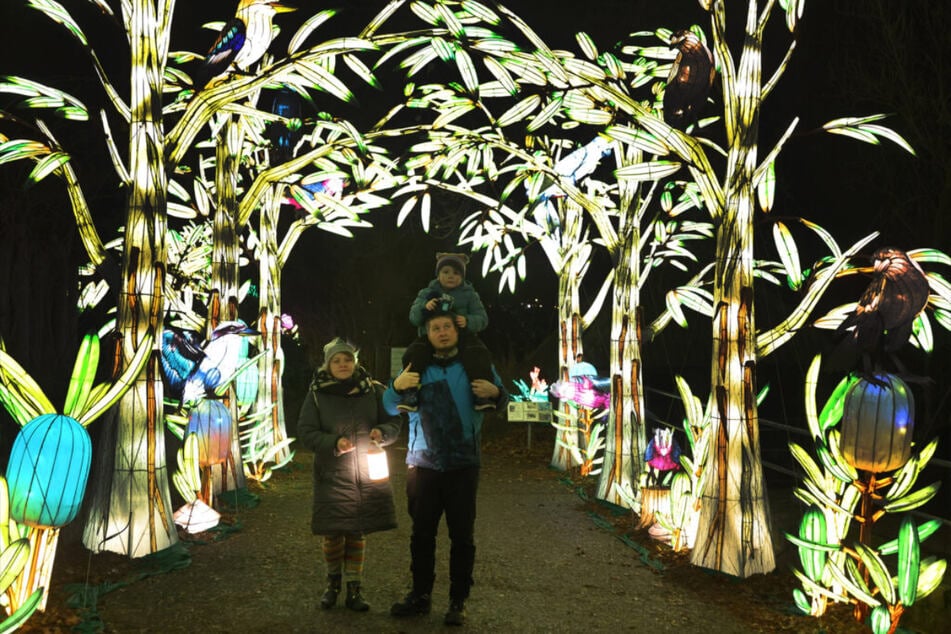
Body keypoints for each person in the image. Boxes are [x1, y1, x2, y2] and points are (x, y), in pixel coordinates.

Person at [384, 308, 509, 626]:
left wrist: (496, 393)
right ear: (426, 333)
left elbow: (499, 397)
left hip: (463, 465)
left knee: (462, 536)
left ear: (457, 331)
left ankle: (458, 600)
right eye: (435, 327)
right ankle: (420, 595)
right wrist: (397, 386)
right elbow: (387, 404)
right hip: (422, 465)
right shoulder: (417, 367)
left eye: (447, 327)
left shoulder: (473, 365)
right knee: (421, 534)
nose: (441, 331)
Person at [297, 337, 402, 612]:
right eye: (336, 360)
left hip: (367, 473)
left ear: (356, 362)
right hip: (331, 475)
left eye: (347, 359)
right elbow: (306, 432)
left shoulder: (373, 390)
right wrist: (334, 443)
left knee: (357, 532)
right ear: (327, 365)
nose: (343, 364)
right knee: (333, 532)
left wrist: (384, 433)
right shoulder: (317, 394)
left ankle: (355, 588)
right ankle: (332, 584)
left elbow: (393, 421)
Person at [400, 252, 495, 412]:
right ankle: (410, 392)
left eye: (456, 273)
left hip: (463, 337)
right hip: (430, 337)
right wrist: (425, 308)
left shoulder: (470, 295)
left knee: (478, 353)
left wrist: (468, 321)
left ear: (463, 276)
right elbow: (413, 317)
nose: (451, 276)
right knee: (414, 354)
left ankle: (481, 394)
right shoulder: (426, 293)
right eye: (446, 272)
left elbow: (482, 319)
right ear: (438, 274)